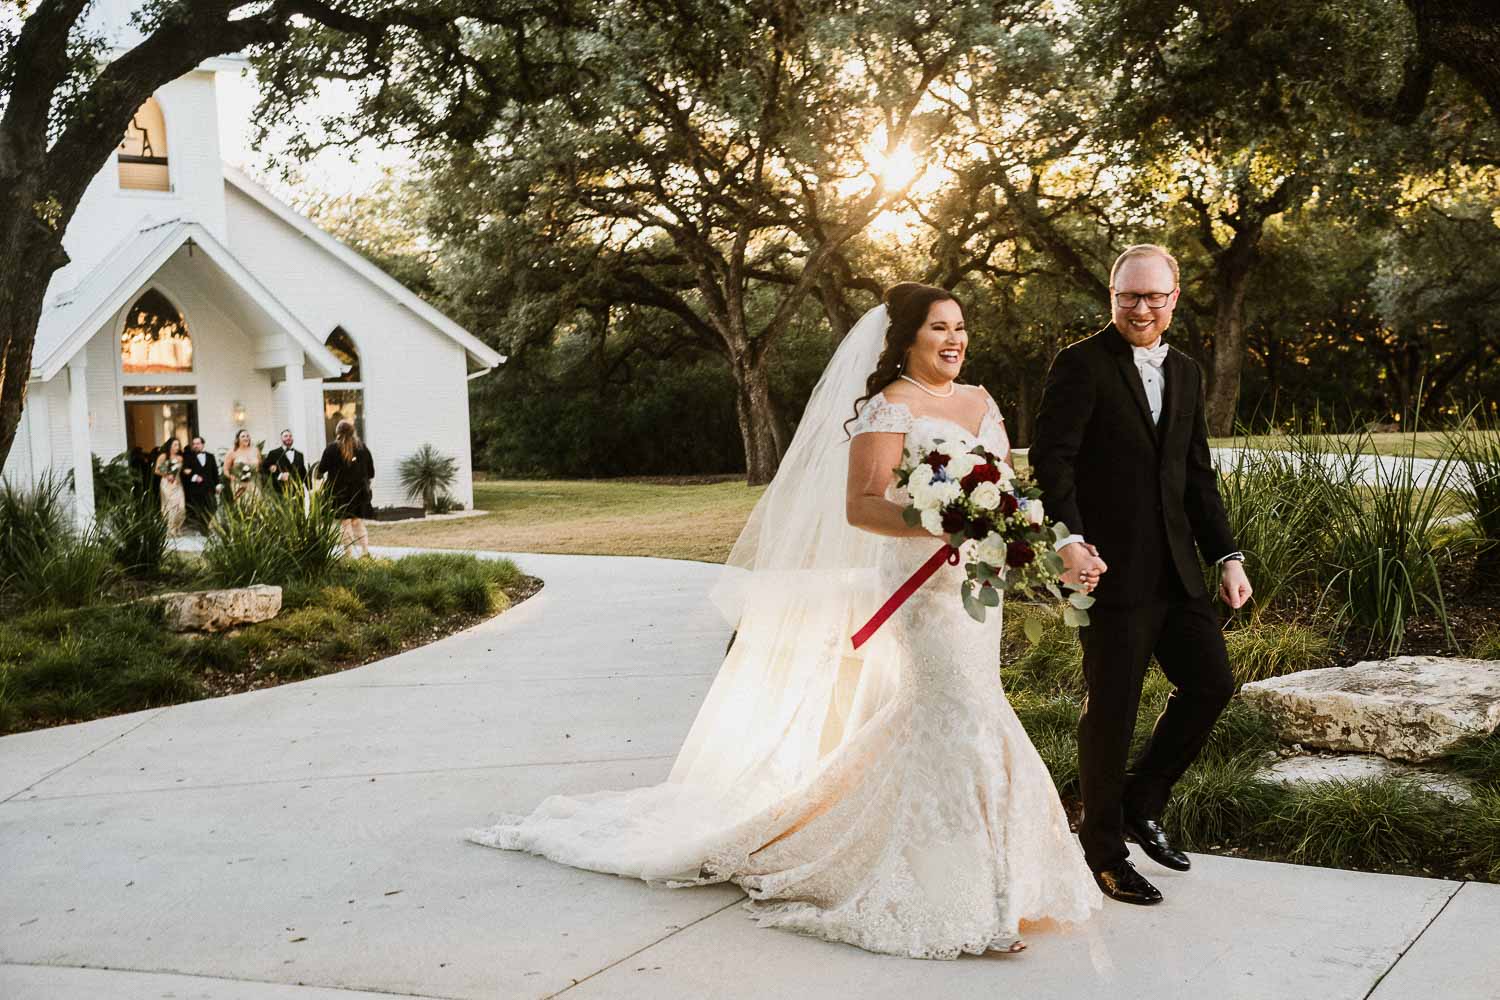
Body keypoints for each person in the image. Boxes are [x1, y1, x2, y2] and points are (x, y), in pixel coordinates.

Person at [467, 284, 1101, 958]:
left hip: (974, 586)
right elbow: (862, 506)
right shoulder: (889, 407)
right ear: (907, 338)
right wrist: (938, 517)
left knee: (961, 711)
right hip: (918, 592)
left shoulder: (980, 403)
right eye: (939, 327)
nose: (954, 339)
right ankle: (977, 897)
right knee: (962, 714)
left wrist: (1021, 533)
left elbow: (1006, 489)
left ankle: (986, 877)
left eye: (961, 326)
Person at [1030, 244, 1253, 907]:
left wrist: (1228, 556)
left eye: (1154, 296)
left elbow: (1195, 478)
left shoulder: (1184, 371)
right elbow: (1052, 461)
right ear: (1111, 296)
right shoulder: (1079, 366)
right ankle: (1101, 851)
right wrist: (1068, 542)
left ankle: (1140, 800)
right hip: (1106, 573)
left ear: (1175, 299)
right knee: (1113, 714)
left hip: (1179, 572)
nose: (1141, 308)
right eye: (1129, 296)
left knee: (1211, 682)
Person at [318, 420, 374, 558]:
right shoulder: (362, 448)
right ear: (353, 431)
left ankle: (348, 555)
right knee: (358, 522)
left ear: (337, 432)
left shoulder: (331, 449)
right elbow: (371, 472)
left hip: (339, 492)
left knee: (345, 524)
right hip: (359, 492)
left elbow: (321, 469)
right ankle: (365, 552)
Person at [181, 435, 218, 528]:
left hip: (209, 488)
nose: (196, 446)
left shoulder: (210, 456)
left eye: (198, 443)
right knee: (198, 509)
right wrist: (194, 476)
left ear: (203, 444)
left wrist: (218, 484)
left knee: (211, 507)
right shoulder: (188, 457)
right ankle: (201, 528)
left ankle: (208, 525)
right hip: (195, 489)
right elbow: (184, 472)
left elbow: (215, 472)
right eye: (194, 444)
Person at [153, 437, 186, 535]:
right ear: (170, 446)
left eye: (178, 445)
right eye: (175, 445)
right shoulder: (163, 456)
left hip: (177, 484)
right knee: (169, 507)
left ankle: (177, 526)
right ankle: (170, 528)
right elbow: (157, 470)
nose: (177, 447)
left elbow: (180, 471)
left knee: (181, 507)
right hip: (166, 484)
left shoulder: (180, 458)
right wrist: (167, 475)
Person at [262, 428, 308, 493]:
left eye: (290, 436)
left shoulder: (300, 455)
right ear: (281, 439)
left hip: (298, 493)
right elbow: (264, 468)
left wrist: (310, 489)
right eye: (286, 436)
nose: (288, 438)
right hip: (280, 492)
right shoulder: (273, 453)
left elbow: (303, 472)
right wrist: (279, 476)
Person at [224, 429, 263, 502]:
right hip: (239, 484)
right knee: (244, 505)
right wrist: (231, 477)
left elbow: (260, 465)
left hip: (255, 482)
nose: (246, 438)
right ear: (238, 439)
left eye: (248, 436)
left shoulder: (255, 450)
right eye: (243, 436)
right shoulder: (232, 452)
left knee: (258, 505)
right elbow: (225, 470)